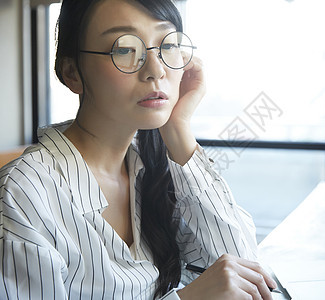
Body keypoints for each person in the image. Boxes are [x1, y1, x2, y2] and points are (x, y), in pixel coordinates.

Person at [0, 0, 277, 299]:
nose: (155, 70)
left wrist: (177, 129)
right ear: (72, 73)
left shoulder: (154, 167)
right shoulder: (22, 195)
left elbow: (246, 272)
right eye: (124, 49)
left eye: (168, 45)